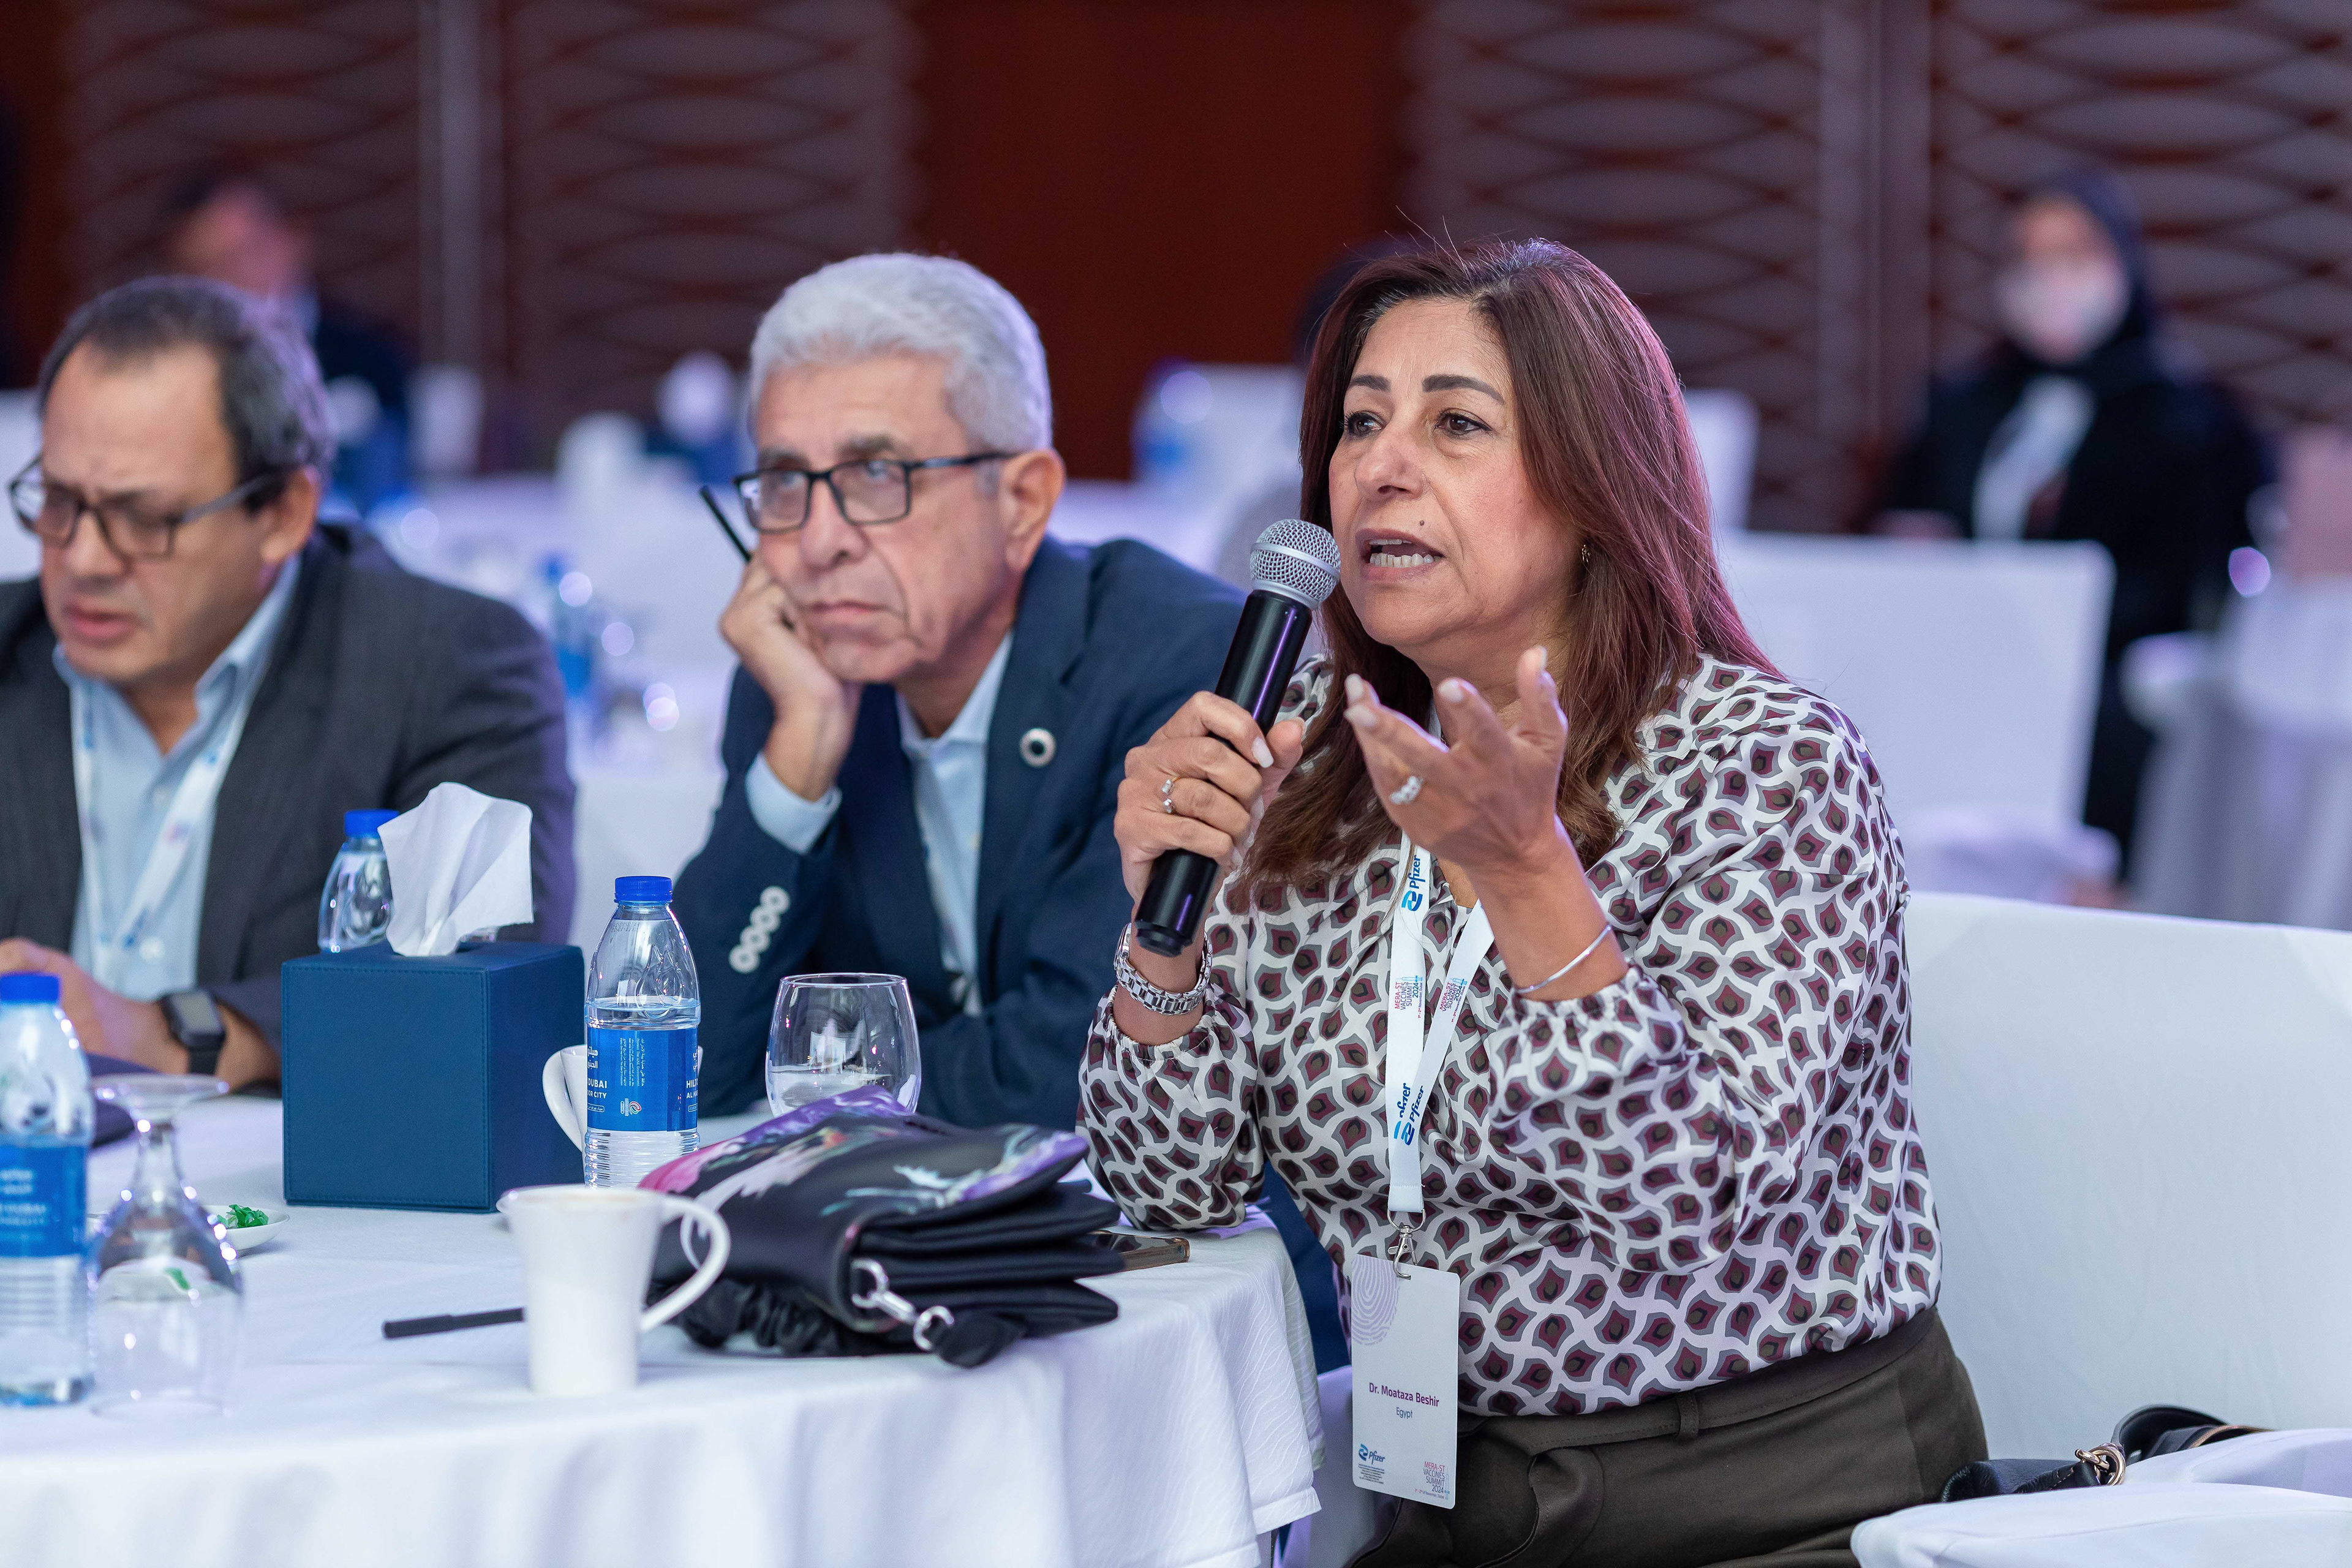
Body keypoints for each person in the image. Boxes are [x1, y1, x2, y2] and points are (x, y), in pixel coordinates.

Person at [1088, 240, 1985, 1566]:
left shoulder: (1763, 765)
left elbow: (1688, 1196)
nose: (1381, 467)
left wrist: (1526, 875)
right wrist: (1163, 934)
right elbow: (1170, 1184)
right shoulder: (1312, 761)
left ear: (1595, 484)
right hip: (1445, 1488)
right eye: (1359, 424)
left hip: (1769, 1500)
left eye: (1455, 424)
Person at [672, 253, 1243, 1132]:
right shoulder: (797, 675)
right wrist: (802, 754)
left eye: (876, 475)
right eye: (785, 482)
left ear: (1022, 501)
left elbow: (1079, 1069)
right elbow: (689, 1068)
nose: (817, 544)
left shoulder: (1177, 659)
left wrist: (806, 1083)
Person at [0, 276, 573, 1090]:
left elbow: (486, 976)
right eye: (59, 501)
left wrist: (171, 1036)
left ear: (283, 514)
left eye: (143, 518)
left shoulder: (446, 666)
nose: (84, 559)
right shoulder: (13, 641)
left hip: (288, 1165)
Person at [1872, 167, 2271, 869]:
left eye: (2074, 254)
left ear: (2121, 261)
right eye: (2029, 256)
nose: (2050, 278)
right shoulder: (1963, 405)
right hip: (1962, 665)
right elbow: (1901, 515)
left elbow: (2195, 583)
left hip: (2106, 684)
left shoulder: (2190, 422)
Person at [162, 165, 413, 513]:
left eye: (248, 251)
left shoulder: (370, 354)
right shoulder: (175, 374)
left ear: (293, 240)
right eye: (209, 265)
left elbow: (400, 481)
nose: (236, 276)